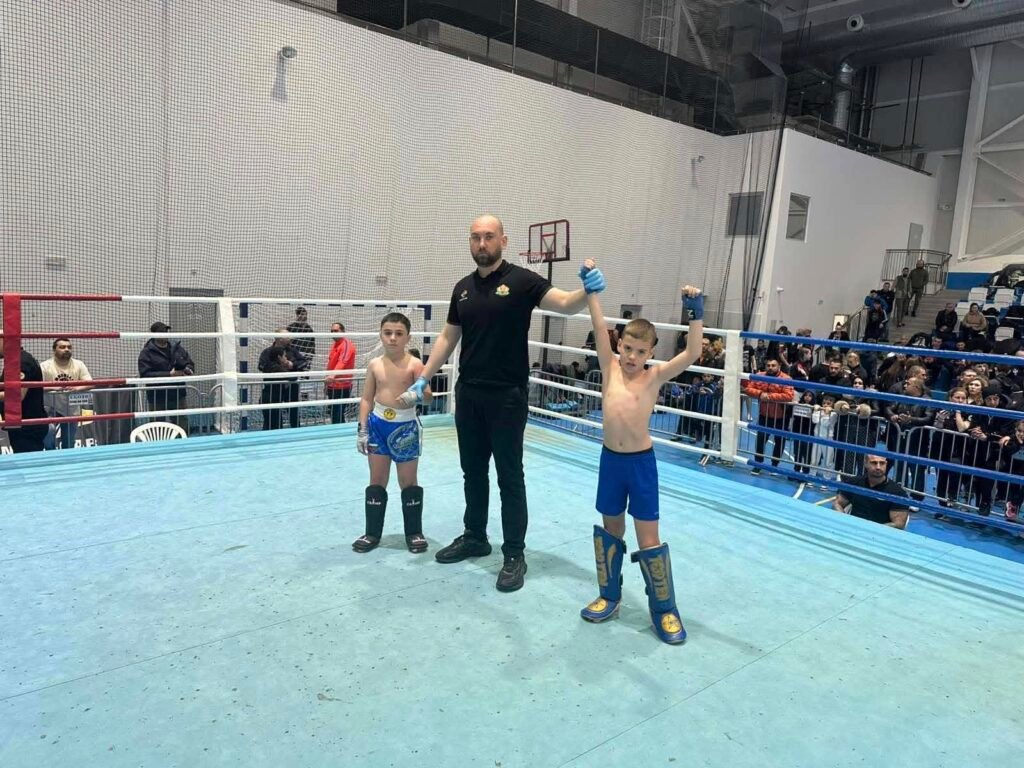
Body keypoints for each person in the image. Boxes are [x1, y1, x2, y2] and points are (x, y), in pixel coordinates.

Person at [399, 214, 603, 592]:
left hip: (507, 396)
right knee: (473, 472)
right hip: (469, 393)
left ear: (503, 241)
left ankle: (514, 554)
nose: (482, 243)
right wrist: (424, 376)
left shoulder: (522, 281)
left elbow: (563, 304)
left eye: (489, 237)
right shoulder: (462, 289)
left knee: (510, 476)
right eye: (475, 237)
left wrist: (586, 290)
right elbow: (448, 337)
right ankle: (475, 536)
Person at [577, 261, 704, 644]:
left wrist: (694, 313)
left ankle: (664, 609)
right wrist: (591, 289)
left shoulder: (655, 376)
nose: (632, 356)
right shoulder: (609, 367)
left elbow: (693, 352)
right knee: (610, 532)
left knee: (649, 539)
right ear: (619, 345)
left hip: (641, 465)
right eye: (627, 348)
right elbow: (598, 324)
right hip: (610, 462)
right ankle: (610, 596)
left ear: (651, 352)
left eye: (640, 351)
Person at [354, 313, 432, 553]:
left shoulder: (415, 364)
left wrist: (416, 394)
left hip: (405, 427)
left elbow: (429, 398)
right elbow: (366, 398)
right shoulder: (375, 364)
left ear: (408, 337)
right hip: (377, 426)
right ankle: (372, 533)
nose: (392, 338)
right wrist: (362, 429)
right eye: (388, 333)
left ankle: (414, 532)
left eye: (399, 333)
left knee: (408, 481)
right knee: (377, 480)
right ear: (380, 335)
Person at [137, 321, 194, 433]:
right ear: (154, 334)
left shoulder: (177, 348)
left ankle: (183, 443)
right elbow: (145, 374)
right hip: (157, 396)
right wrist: (169, 374)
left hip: (177, 394)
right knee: (157, 429)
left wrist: (187, 370)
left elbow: (189, 362)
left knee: (182, 426)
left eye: (166, 331)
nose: (165, 333)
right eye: (161, 331)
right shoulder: (146, 352)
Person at [741, 357, 795, 475]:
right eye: (768, 365)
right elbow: (748, 389)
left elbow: (789, 396)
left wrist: (769, 396)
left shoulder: (786, 379)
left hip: (781, 416)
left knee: (779, 441)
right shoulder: (760, 376)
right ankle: (758, 464)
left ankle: (774, 466)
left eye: (773, 365)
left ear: (779, 366)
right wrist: (760, 394)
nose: (770, 368)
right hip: (764, 414)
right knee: (760, 439)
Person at [40, 338, 93, 449]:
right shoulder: (44, 366)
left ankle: (66, 458)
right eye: (62, 347)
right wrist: (55, 387)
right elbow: (36, 387)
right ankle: (52, 454)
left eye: (69, 347)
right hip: (49, 407)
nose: (66, 349)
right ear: (54, 350)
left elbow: (90, 383)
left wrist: (77, 388)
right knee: (47, 432)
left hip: (70, 408)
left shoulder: (79, 364)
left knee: (68, 442)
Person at [0, 333, 49, 453]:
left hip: (27, 426)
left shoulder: (21, 362)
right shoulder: (15, 361)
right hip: (20, 423)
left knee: (29, 460)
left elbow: (17, 395)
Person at [833, 454, 910, 529]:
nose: (878, 467)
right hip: (853, 528)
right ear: (866, 464)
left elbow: (899, 524)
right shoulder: (854, 482)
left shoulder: (897, 492)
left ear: (886, 464)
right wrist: (845, 521)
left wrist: (872, 529)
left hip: (879, 533)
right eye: (874, 463)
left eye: (882, 463)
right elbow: (838, 503)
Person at [325, 322, 356, 424]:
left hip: (342, 386)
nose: (333, 333)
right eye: (332, 331)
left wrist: (332, 376)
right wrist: (327, 382)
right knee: (334, 413)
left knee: (338, 413)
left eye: (336, 331)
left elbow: (343, 361)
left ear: (343, 331)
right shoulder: (335, 345)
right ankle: (336, 431)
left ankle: (339, 432)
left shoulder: (346, 345)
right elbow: (330, 363)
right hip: (332, 385)